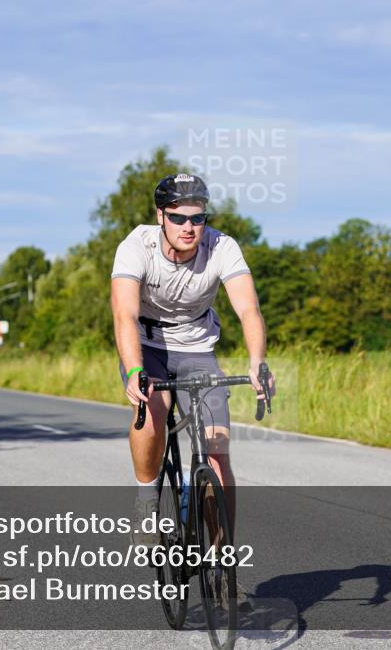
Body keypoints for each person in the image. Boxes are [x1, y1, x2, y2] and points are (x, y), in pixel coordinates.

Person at [110, 173, 275, 547]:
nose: (188, 227)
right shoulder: (136, 246)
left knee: (217, 450)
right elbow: (124, 315)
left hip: (197, 347)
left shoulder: (222, 247)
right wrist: (135, 370)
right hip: (146, 346)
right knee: (153, 407)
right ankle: (147, 502)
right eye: (178, 218)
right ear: (160, 217)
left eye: (197, 218)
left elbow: (249, 310)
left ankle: (221, 551)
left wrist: (257, 363)